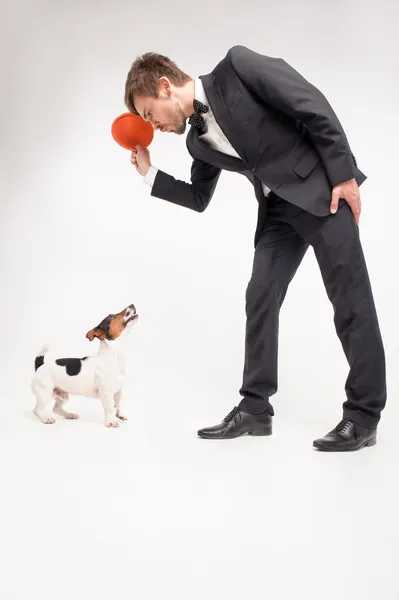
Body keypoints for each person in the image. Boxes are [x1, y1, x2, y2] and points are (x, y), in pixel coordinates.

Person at [123, 45, 386, 451]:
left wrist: (343, 176)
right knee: (260, 295)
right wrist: (149, 174)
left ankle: (363, 416)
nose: (151, 125)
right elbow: (198, 197)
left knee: (349, 299)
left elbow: (310, 103)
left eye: (148, 113)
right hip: (278, 213)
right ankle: (255, 410)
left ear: (163, 86)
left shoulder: (237, 67)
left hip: (322, 193)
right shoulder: (197, 142)